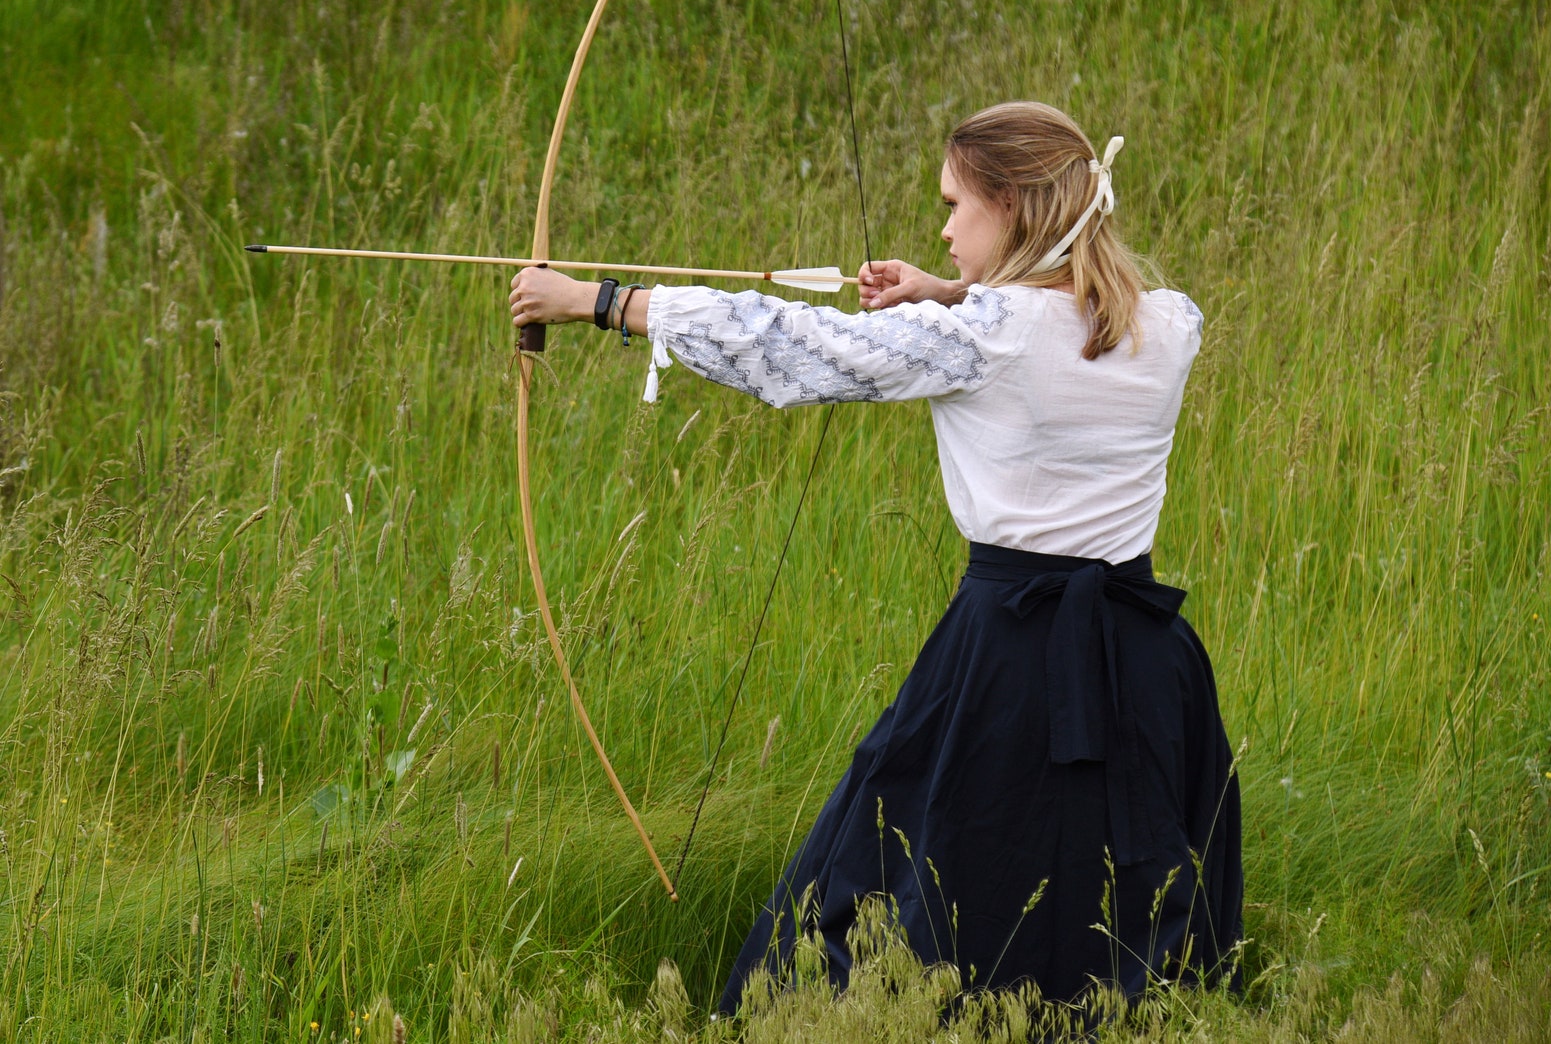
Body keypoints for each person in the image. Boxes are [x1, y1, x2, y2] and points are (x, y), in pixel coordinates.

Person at [508, 101, 1242, 1011]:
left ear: (1010, 206)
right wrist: (950, 292)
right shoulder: (1166, 326)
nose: (942, 227)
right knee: (1115, 895)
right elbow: (1057, 325)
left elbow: (794, 344)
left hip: (1006, 665)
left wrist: (599, 302)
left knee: (897, 888)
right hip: (1146, 662)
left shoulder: (982, 335)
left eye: (954, 205)